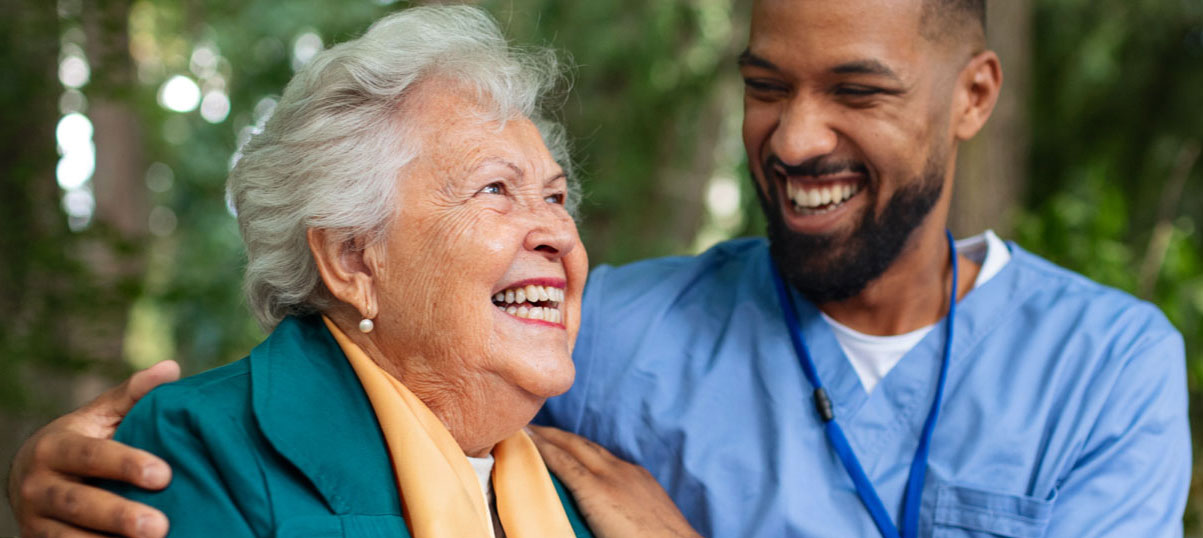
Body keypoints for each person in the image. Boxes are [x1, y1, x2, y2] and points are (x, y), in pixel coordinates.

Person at [8, 0, 1191, 536]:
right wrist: (81, 468)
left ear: (973, 96)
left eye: (859, 91)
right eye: (764, 86)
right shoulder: (610, 332)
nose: (794, 138)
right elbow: (364, 381)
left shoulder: (1113, 366)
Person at [6, 5, 700, 537]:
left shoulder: (585, 500)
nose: (556, 231)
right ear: (351, 259)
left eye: (554, 196)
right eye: (495, 189)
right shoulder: (195, 449)